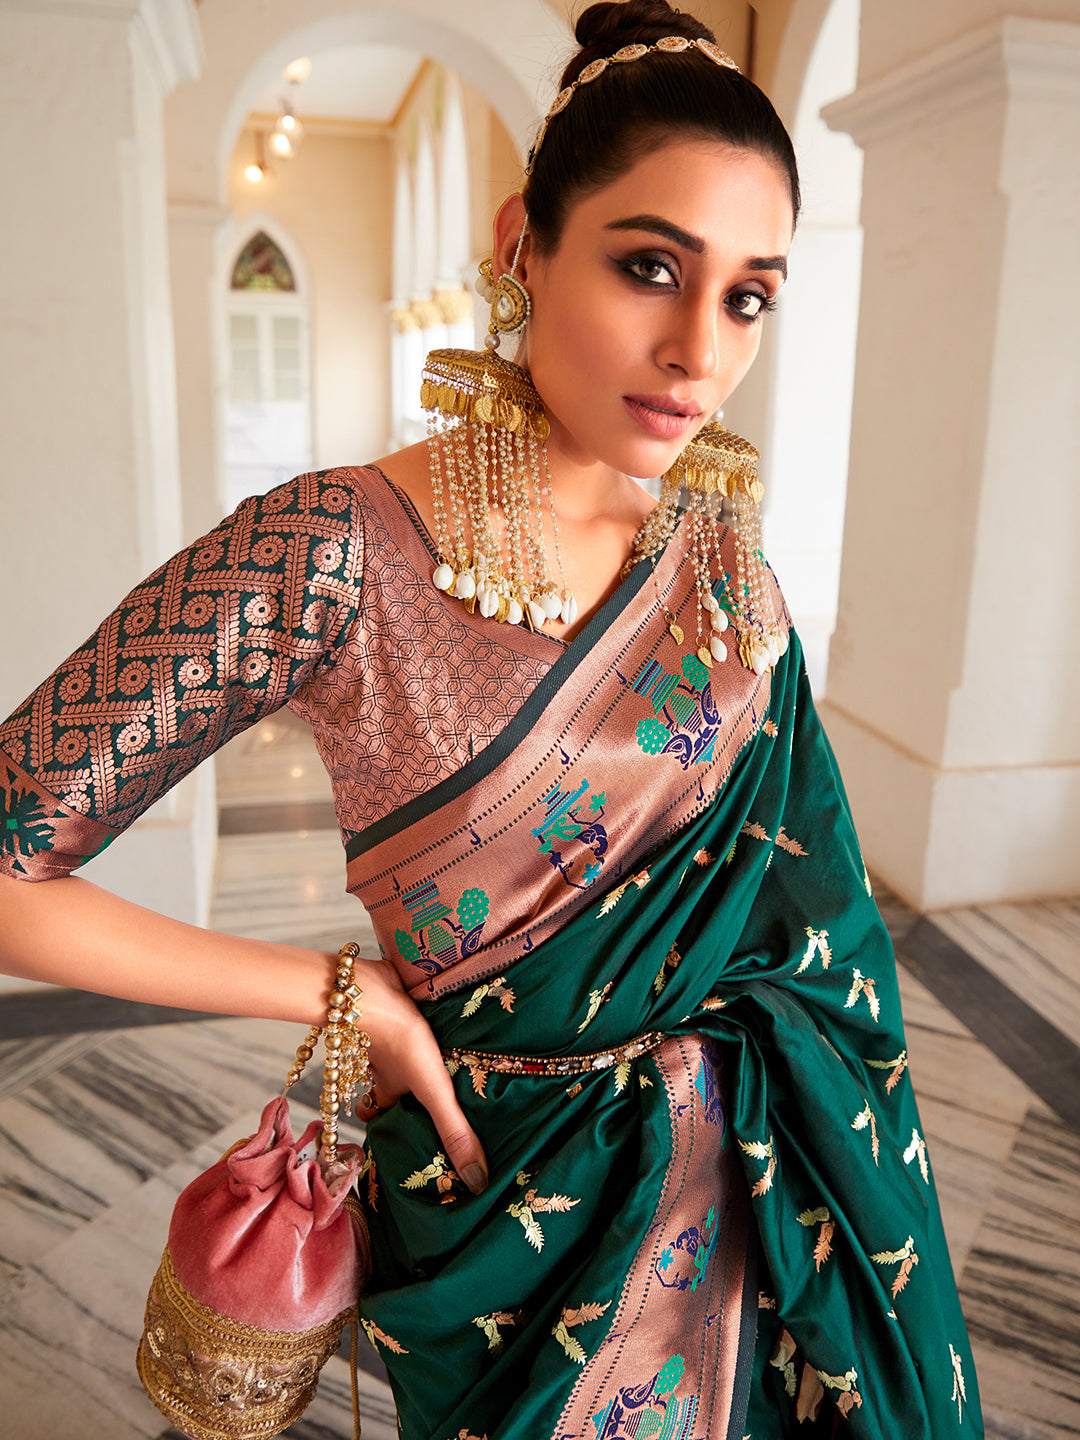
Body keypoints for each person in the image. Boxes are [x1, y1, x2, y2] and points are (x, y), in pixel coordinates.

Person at [0, 1, 983, 1436]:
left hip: (759, 1212)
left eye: (749, 297)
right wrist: (340, 1000)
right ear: (524, 244)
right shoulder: (329, 551)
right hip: (493, 1216)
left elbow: (815, 942)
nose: (698, 351)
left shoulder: (724, 572)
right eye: (650, 266)